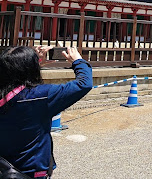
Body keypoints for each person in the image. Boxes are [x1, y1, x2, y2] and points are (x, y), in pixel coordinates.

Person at [0, 46, 92, 178]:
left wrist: (33, 64)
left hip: (4, 169)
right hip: (31, 171)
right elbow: (84, 84)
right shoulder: (41, 96)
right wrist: (78, 61)